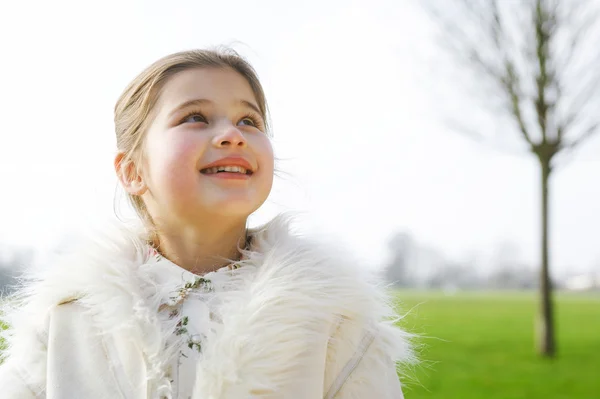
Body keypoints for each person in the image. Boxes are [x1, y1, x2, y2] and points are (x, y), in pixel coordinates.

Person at [0, 48, 414, 398]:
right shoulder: (65, 323)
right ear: (132, 171)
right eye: (195, 117)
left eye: (249, 121)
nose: (232, 134)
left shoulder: (333, 323)